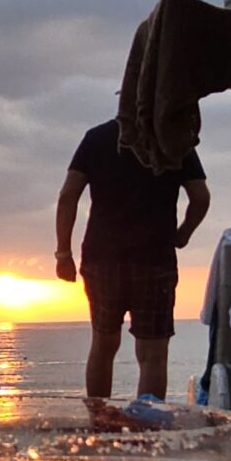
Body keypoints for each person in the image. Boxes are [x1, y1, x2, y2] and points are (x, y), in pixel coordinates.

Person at [55, 118, 210, 400]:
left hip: (102, 259)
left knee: (103, 345)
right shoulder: (173, 137)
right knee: (152, 354)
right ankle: (146, 423)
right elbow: (200, 196)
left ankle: (99, 420)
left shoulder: (96, 137)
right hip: (155, 258)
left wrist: (63, 253)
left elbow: (68, 196)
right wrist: (183, 233)